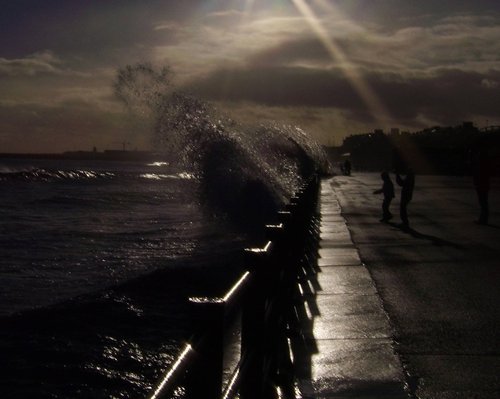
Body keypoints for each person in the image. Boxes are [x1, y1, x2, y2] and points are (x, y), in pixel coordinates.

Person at [471, 144, 490, 224]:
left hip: (481, 184)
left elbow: (479, 175)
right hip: (483, 184)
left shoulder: (480, 166)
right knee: (483, 201)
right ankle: (483, 218)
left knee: (483, 202)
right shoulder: (484, 165)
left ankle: (483, 219)